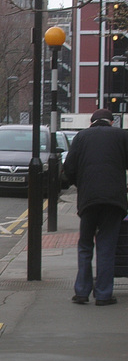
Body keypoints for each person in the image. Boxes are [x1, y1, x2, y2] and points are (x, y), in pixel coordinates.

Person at [63, 108, 128, 306]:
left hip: (88, 200)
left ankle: (82, 292)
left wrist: (82, 185)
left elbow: (69, 169)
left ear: (92, 122)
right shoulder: (122, 136)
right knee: (106, 246)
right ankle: (103, 294)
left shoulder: (81, 137)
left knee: (85, 245)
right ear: (111, 121)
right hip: (114, 201)